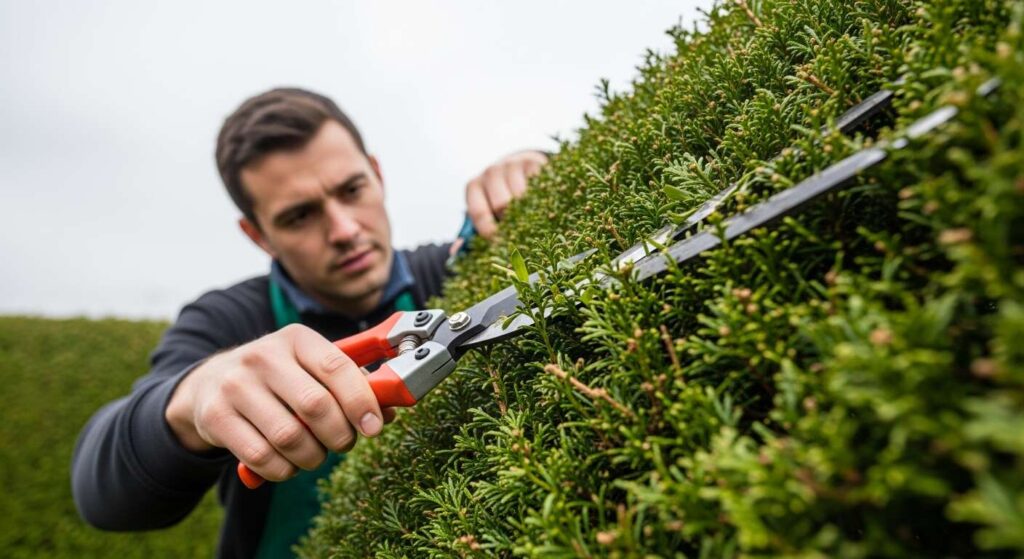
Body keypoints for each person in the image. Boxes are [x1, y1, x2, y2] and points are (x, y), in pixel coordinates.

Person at [71, 87, 547, 558]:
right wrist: (191, 401)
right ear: (258, 235)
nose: (344, 230)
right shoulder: (225, 318)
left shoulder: (450, 269)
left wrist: (537, 168)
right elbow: (103, 496)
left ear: (377, 175)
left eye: (352, 190)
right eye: (300, 216)